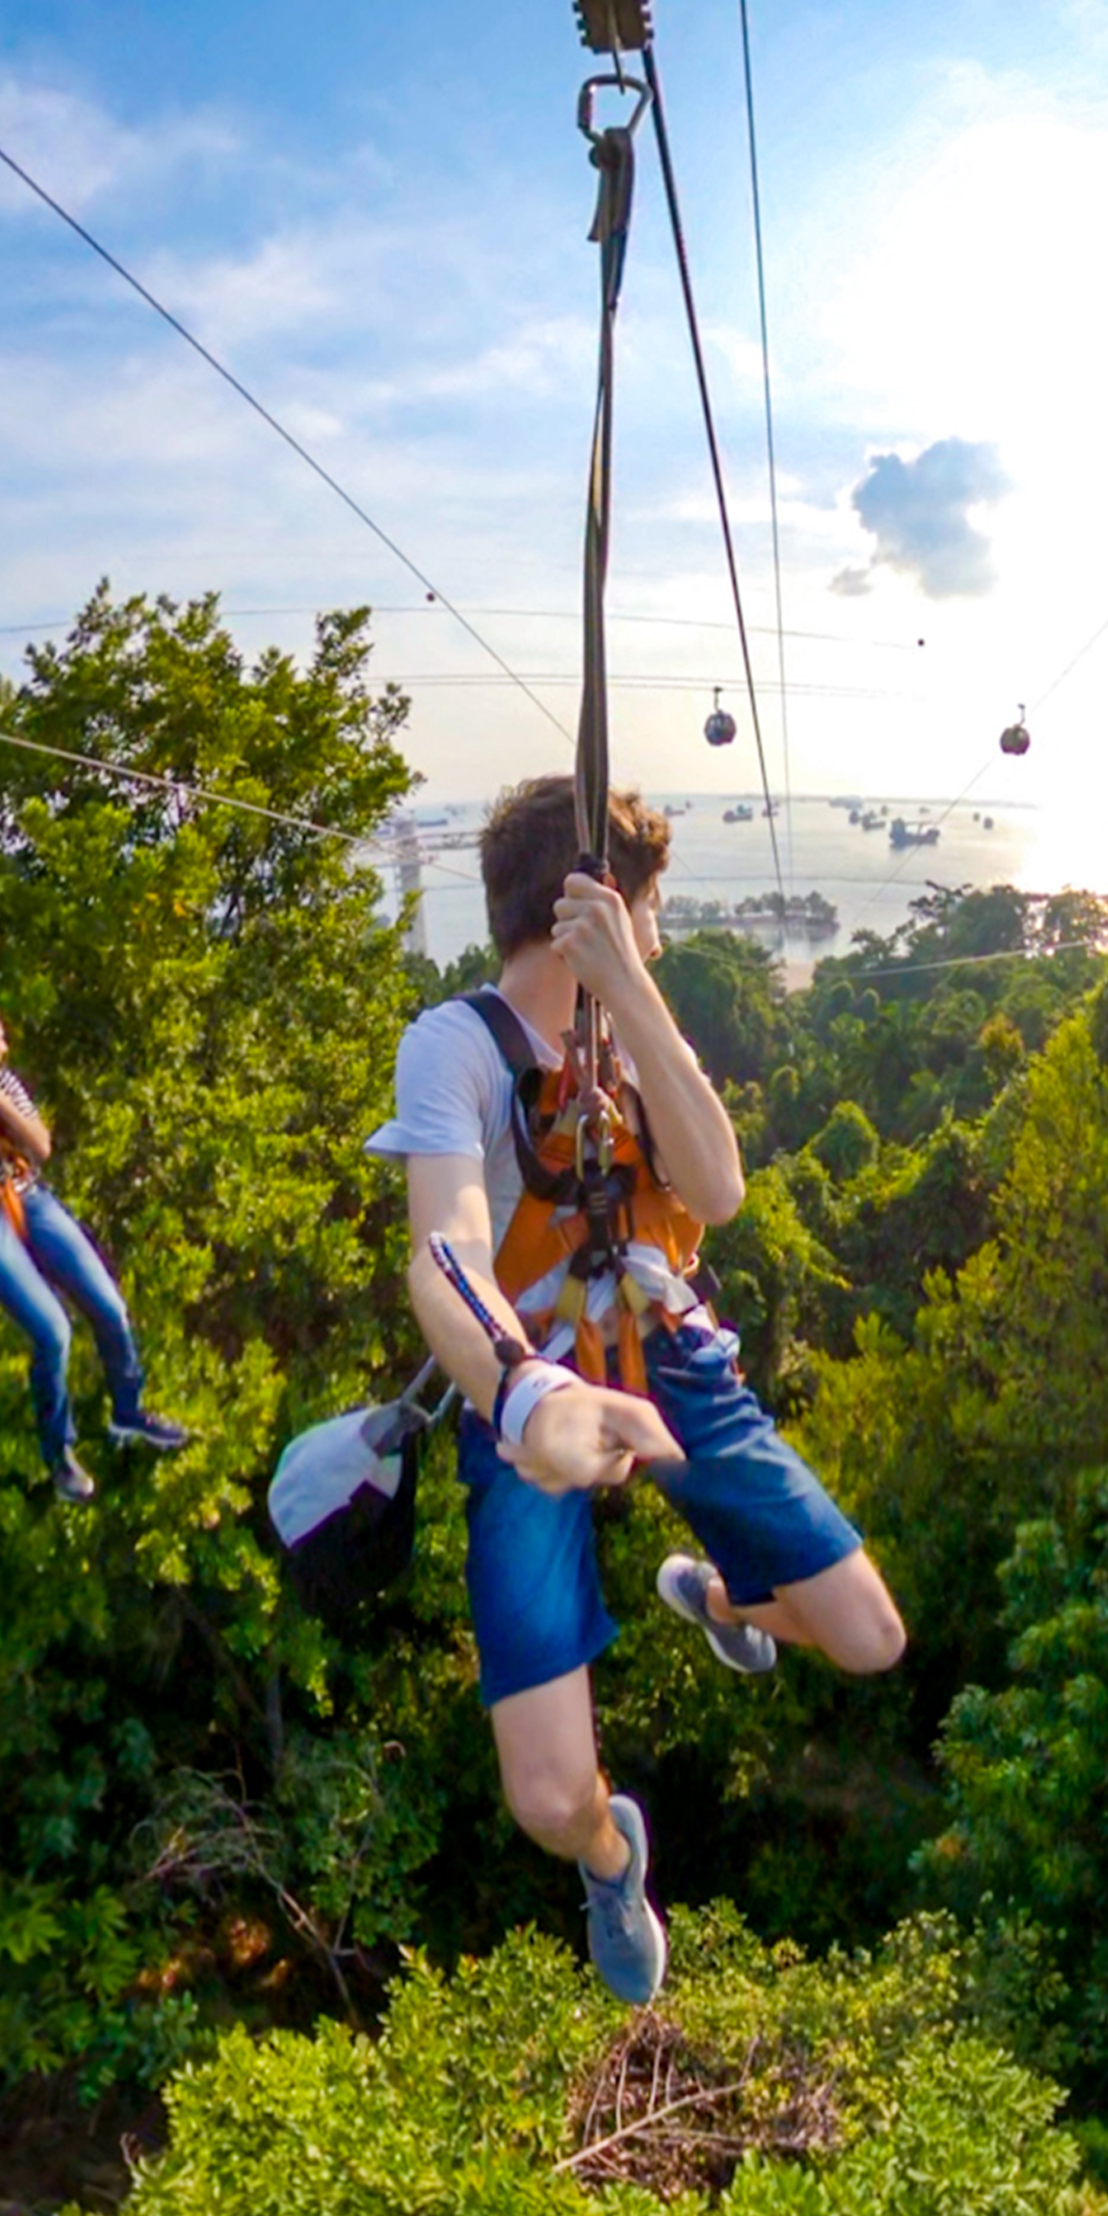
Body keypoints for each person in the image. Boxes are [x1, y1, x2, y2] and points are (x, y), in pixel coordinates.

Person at [369, 776, 908, 2007]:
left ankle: (719, 1594)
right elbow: (442, 1247)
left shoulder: (637, 1032)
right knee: (547, 1796)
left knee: (869, 1636)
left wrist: (632, 994)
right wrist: (523, 1397)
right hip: (529, 1359)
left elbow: (715, 1192)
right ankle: (614, 1862)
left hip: (665, 1347)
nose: (656, 933)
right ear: (603, 904)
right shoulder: (454, 1044)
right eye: (647, 911)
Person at [0, 994, 188, 1503]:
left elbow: (41, 1145)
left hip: (27, 1196)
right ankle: (60, 1455)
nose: (6, 1046)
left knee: (110, 1308)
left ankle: (129, 1411)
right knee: (54, 1331)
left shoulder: (4, 1081)